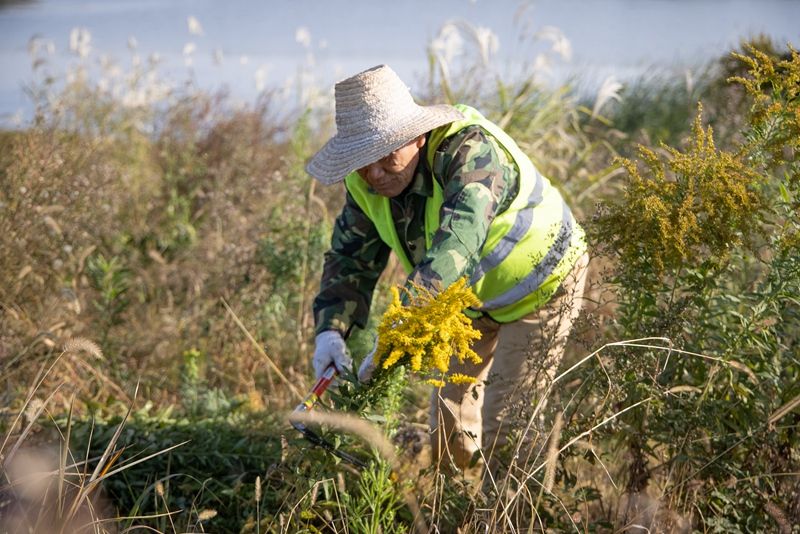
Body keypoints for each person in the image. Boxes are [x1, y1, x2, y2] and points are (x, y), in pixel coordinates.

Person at [306, 64, 588, 477]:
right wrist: (331, 330)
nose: (375, 172)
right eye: (362, 160)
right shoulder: (366, 183)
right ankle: (457, 513)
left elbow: (458, 243)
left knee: (508, 430)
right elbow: (352, 259)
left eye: (386, 154)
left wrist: (396, 335)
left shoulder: (472, 153)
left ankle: (514, 519)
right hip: (466, 303)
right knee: (450, 429)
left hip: (542, 287)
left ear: (416, 135)